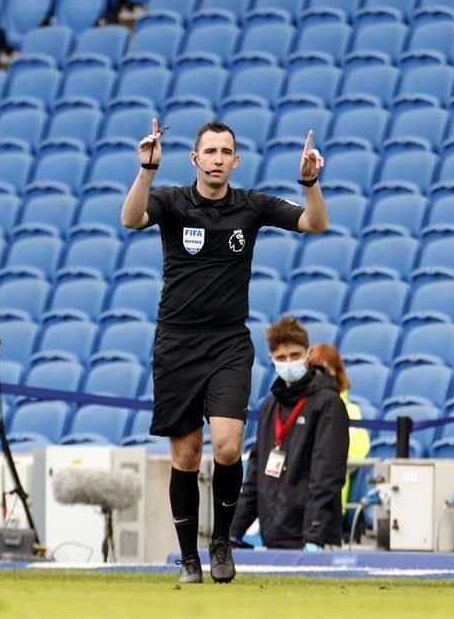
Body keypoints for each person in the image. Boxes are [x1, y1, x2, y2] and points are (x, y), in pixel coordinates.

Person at [120, 122, 328, 584]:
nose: (217, 158)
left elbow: (315, 223)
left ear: (236, 161)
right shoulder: (173, 201)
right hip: (176, 343)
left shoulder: (251, 206)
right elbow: (131, 219)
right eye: (209, 151)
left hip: (230, 342)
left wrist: (310, 183)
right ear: (194, 159)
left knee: (229, 448)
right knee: (188, 457)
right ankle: (188, 558)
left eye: (226, 151)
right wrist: (145, 171)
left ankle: (221, 543)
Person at [229, 318, 350, 550]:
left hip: (315, 537)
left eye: (295, 355)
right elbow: (255, 477)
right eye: (282, 358)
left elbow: (326, 475)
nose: (289, 362)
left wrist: (314, 534)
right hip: (274, 534)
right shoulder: (269, 406)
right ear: (271, 359)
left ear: (309, 353)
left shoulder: (327, 403)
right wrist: (232, 532)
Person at [307, 343, 371, 507]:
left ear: (336, 372)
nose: (318, 375)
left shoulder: (351, 411)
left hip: (328, 504)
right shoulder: (301, 408)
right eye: (313, 369)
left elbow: (351, 456)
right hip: (295, 504)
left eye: (323, 369)